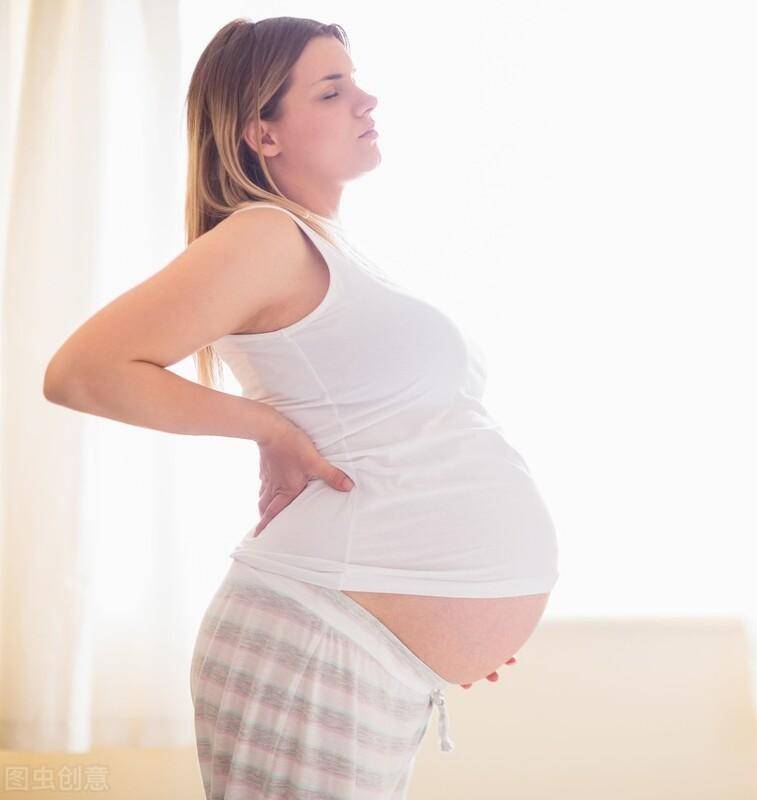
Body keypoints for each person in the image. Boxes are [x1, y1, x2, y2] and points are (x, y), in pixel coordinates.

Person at [42, 16, 559, 799]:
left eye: (355, 79)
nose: (366, 97)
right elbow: (83, 370)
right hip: (314, 644)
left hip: (359, 651)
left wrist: (453, 622)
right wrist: (268, 428)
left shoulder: (330, 246)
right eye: (332, 88)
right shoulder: (264, 237)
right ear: (263, 133)